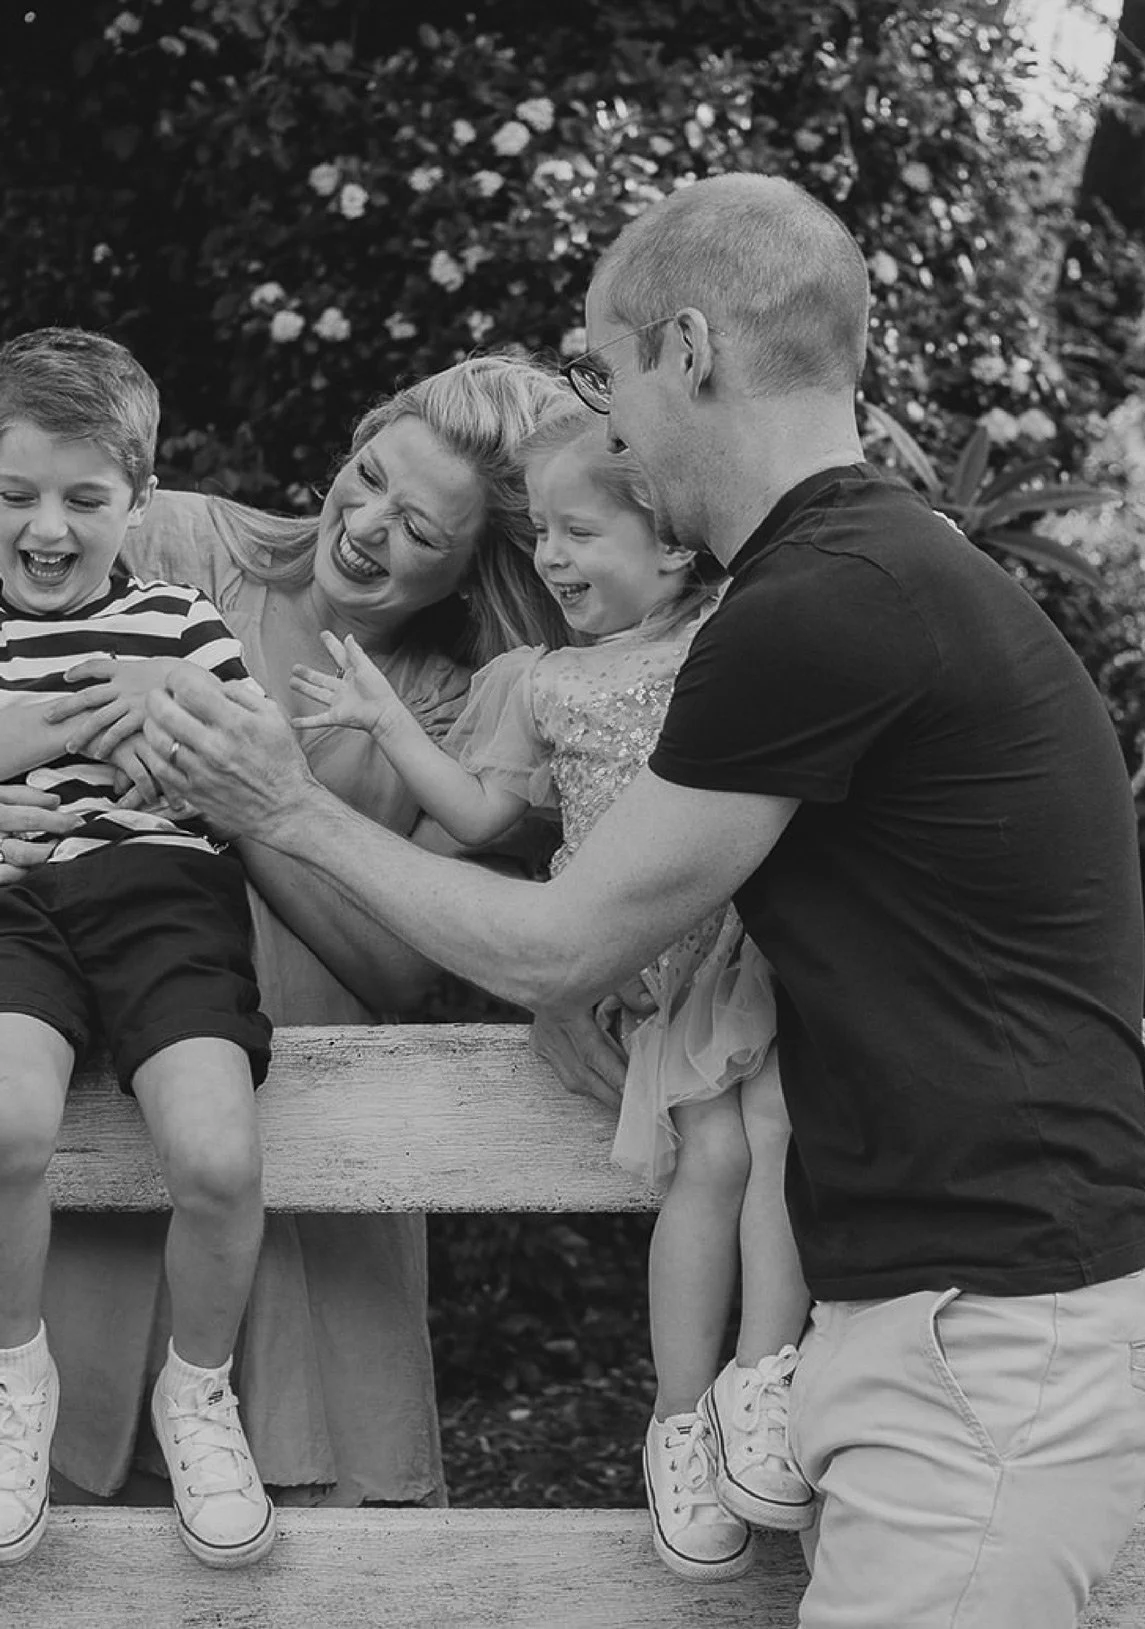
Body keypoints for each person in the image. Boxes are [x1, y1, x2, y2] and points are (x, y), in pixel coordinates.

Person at [138, 173, 1145, 1628]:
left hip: (995, 1328)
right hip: (945, 1315)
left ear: (689, 350)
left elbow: (568, 936)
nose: (604, 420)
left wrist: (283, 806)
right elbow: (665, 921)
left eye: (602, 366)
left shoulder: (821, 606)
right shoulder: (854, 578)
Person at [0, 352, 576, 1513]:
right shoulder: (185, 543)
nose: (362, 527)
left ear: (477, 563)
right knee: (64, 1515)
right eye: (364, 478)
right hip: (101, 1082)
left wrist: (259, 810)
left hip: (306, 1130)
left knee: (307, 1528)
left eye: (416, 528)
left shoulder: (468, 700)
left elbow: (404, 969)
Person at [287, 404, 814, 1577]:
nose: (553, 560)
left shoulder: (740, 627)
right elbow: (477, 818)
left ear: (675, 546)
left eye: (579, 536)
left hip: (742, 947)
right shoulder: (539, 683)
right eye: (543, 544)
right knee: (713, 1159)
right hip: (637, 967)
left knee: (779, 1134)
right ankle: (679, 1415)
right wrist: (384, 721)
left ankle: (762, 1384)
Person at [0, 326, 278, 1570]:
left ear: (138, 500)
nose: (49, 528)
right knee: (2, 1124)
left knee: (215, 1153)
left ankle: (197, 1394)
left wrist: (172, 737)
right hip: (11, 896)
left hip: (164, 900)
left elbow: (248, 766)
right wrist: (74, 713)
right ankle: (12, 1381)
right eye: (19, 496)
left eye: (86, 499)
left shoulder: (183, 620)